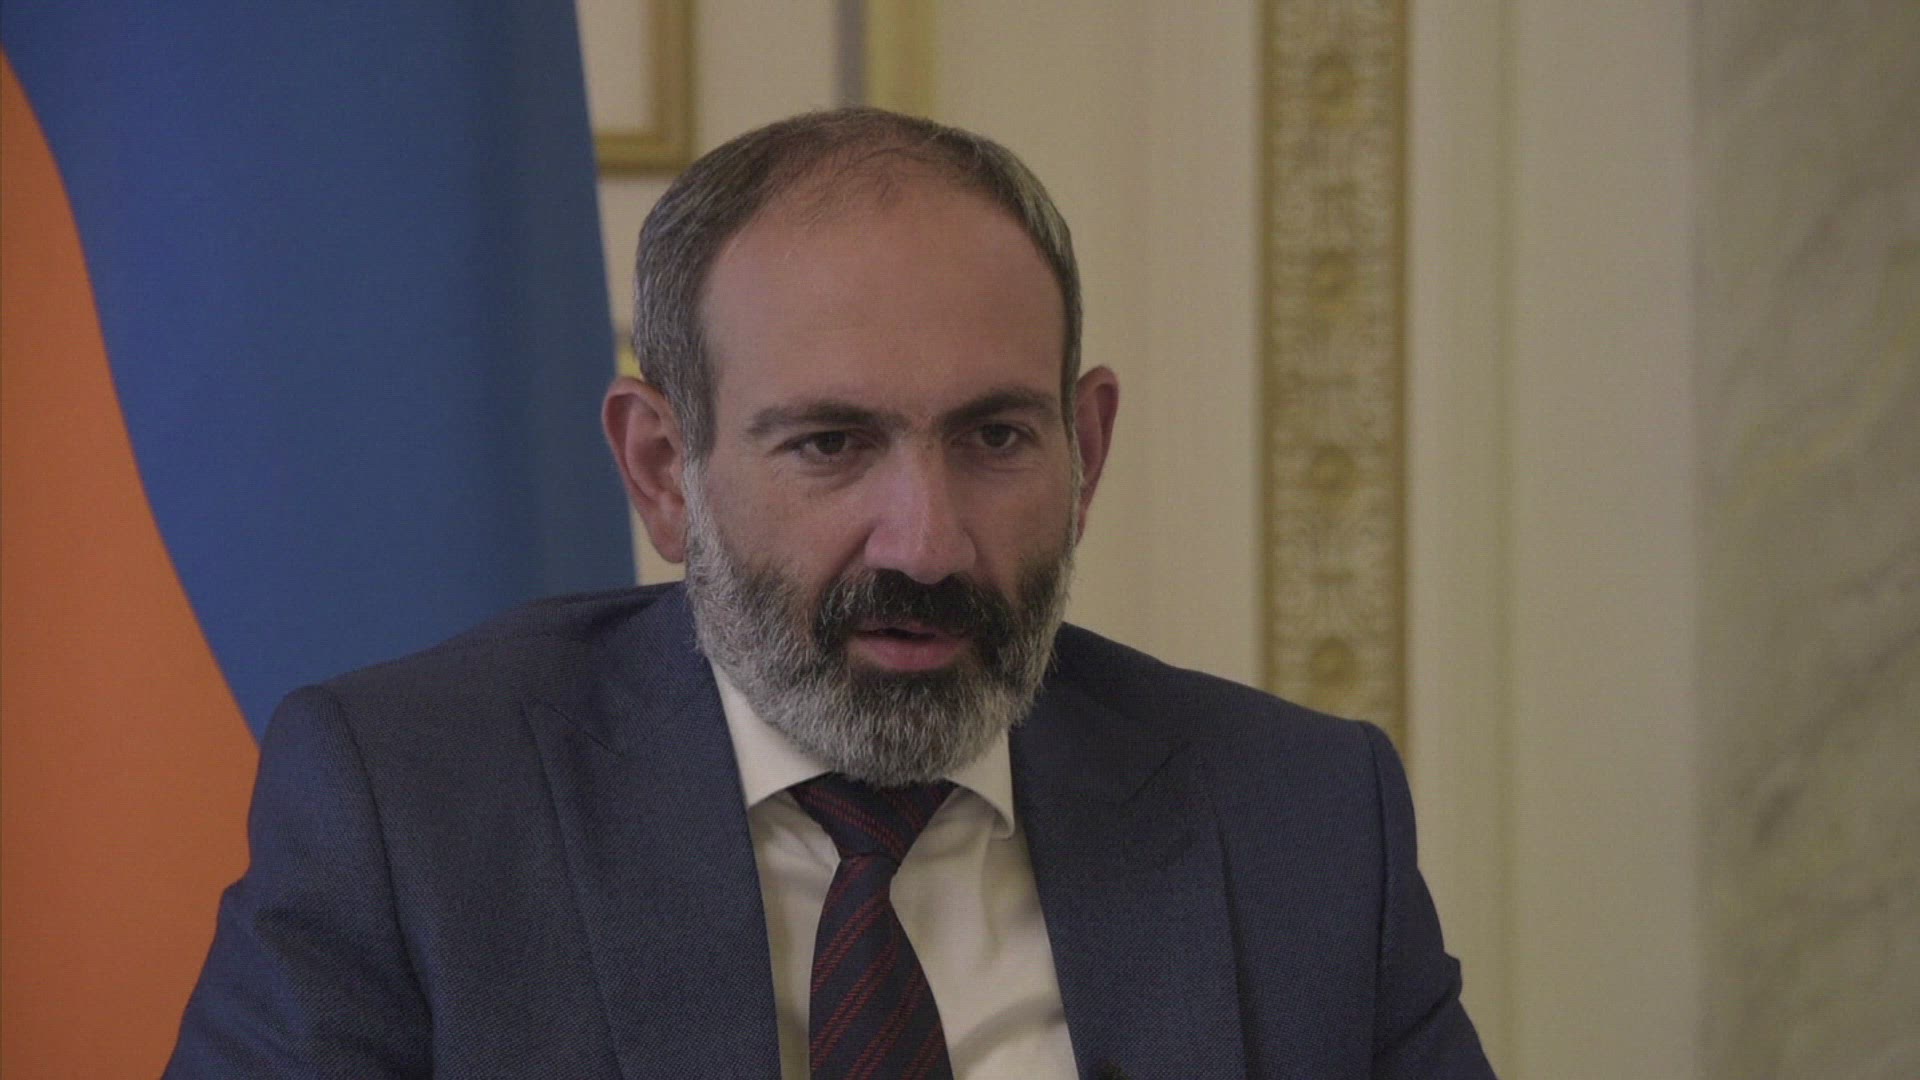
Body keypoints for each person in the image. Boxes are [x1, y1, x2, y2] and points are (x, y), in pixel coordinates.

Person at [168, 107, 1494, 1079]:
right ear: (663, 470)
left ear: (1085, 452)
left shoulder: (1299, 820)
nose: (925, 545)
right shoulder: (415, 811)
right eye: (830, 444)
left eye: (996, 437)